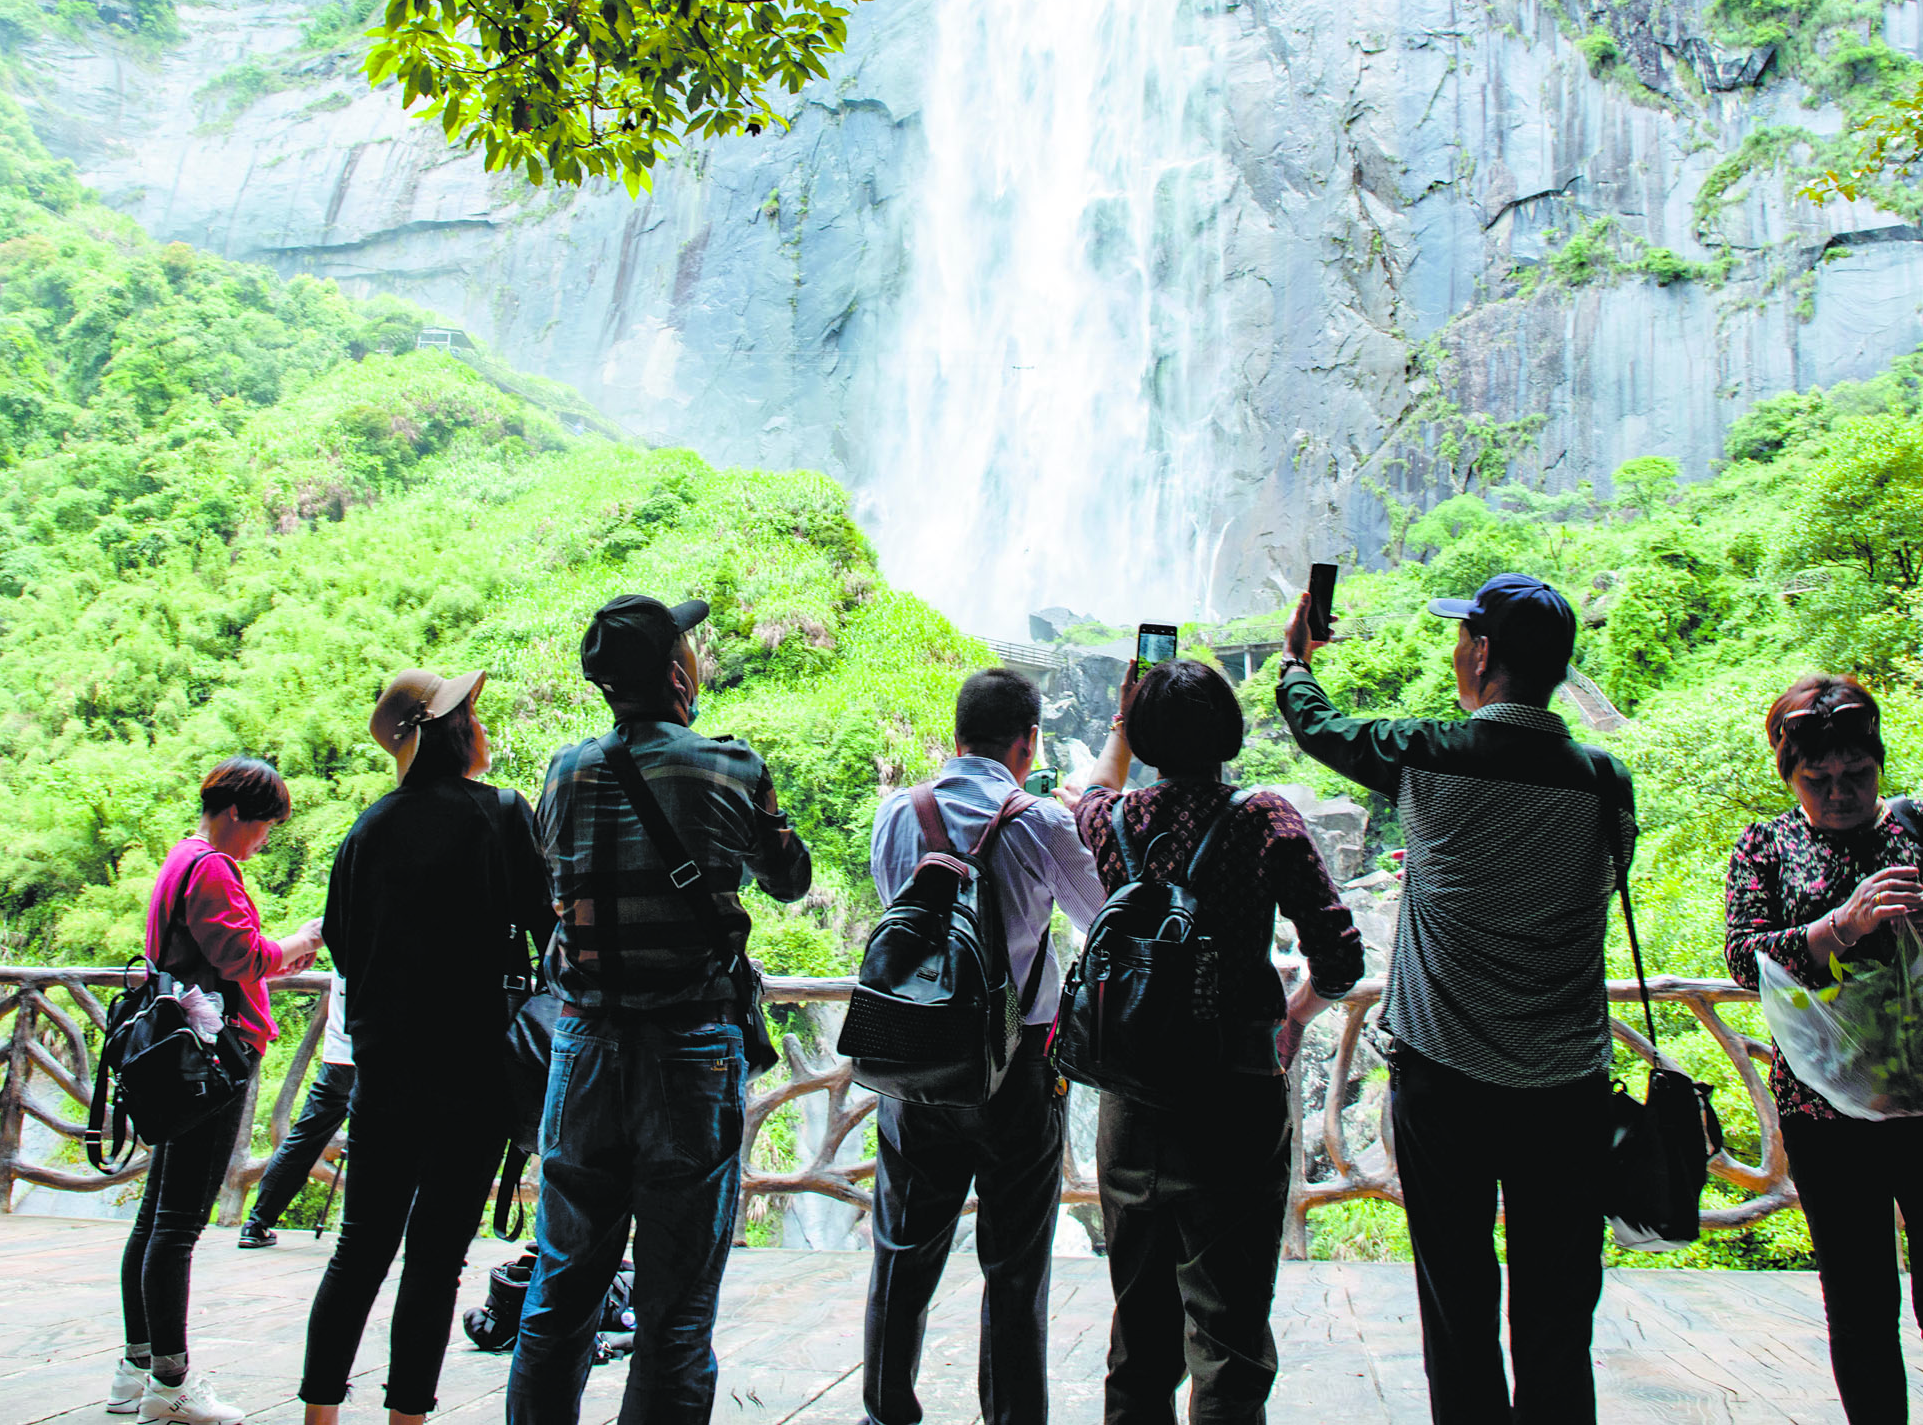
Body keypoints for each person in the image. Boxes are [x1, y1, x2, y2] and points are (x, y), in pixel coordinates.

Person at [1276, 573, 1631, 1425]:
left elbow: (1320, 727)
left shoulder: (1429, 753)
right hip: (1566, 1086)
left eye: (1461, 638)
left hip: (1446, 1086)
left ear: (1480, 653)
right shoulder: (1604, 782)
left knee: (1457, 1303)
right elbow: (1605, 880)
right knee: (1555, 1315)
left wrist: (1296, 660)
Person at [506, 594, 813, 1425]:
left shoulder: (562, 771)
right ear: (679, 675)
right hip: (690, 1053)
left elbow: (549, 878)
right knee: (675, 1311)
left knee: (560, 1291)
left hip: (583, 1050)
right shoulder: (731, 765)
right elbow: (791, 878)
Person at [1073, 659, 1363, 1424]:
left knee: (1138, 1335)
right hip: (1235, 1090)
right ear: (1227, 729)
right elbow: (1341, 955)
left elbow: (1094, 791)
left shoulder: (1116, 822)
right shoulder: (1264, 819)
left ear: (1143, 733)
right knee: (1230, 1335)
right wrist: (1294, 1018)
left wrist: (1120, 727)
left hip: (1132, 1099)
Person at [1724, 674, 1923, 1423]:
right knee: (1857, 1303)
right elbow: (1743, 957)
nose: (1839, 792)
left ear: (1878, 762)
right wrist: (1841, 926)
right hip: (1826, 1114)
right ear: (1788, 774)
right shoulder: (1766, 843)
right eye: (1817, 778)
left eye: (1856, 773)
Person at [298, 668, 555, 1425]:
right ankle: (406, 1416)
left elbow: (342, 943)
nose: (481, 724)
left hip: (384, 1070)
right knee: (435, 1260)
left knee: (359, 1252)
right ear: (454, 730)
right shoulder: (503, 814)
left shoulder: (368, 828)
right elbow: (547, 931)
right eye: (472, 713)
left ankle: (319, 1415)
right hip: (476, 1069)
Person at [861, 668, 1110, 1425]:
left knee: (902, 1248)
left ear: (956, 734)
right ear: (1027, 743)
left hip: (915, 1056)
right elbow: (1101, 911)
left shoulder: (897, 813)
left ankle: (886, 1410)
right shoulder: (1038, 821)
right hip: (1020, 1064)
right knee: (1015, 1263)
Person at [110, 758, 322, 1425]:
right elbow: (241, 956)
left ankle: (137, 1367)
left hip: (175, 1052)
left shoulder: (181, 858)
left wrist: (276, 950)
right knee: (178, 1224)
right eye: (262, 826)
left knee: (155, 1216)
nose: (262, 841)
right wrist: (298, 940)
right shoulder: (212, 868)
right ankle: (169, 1383)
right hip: (210, 1057)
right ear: (236, 812)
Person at [238, 970, 355, 1250]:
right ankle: (419, 1236)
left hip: (338, 1058)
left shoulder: (344, 934)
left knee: (303, 1140)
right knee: (408, 1147)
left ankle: (256, 1223)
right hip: (386, 1058)